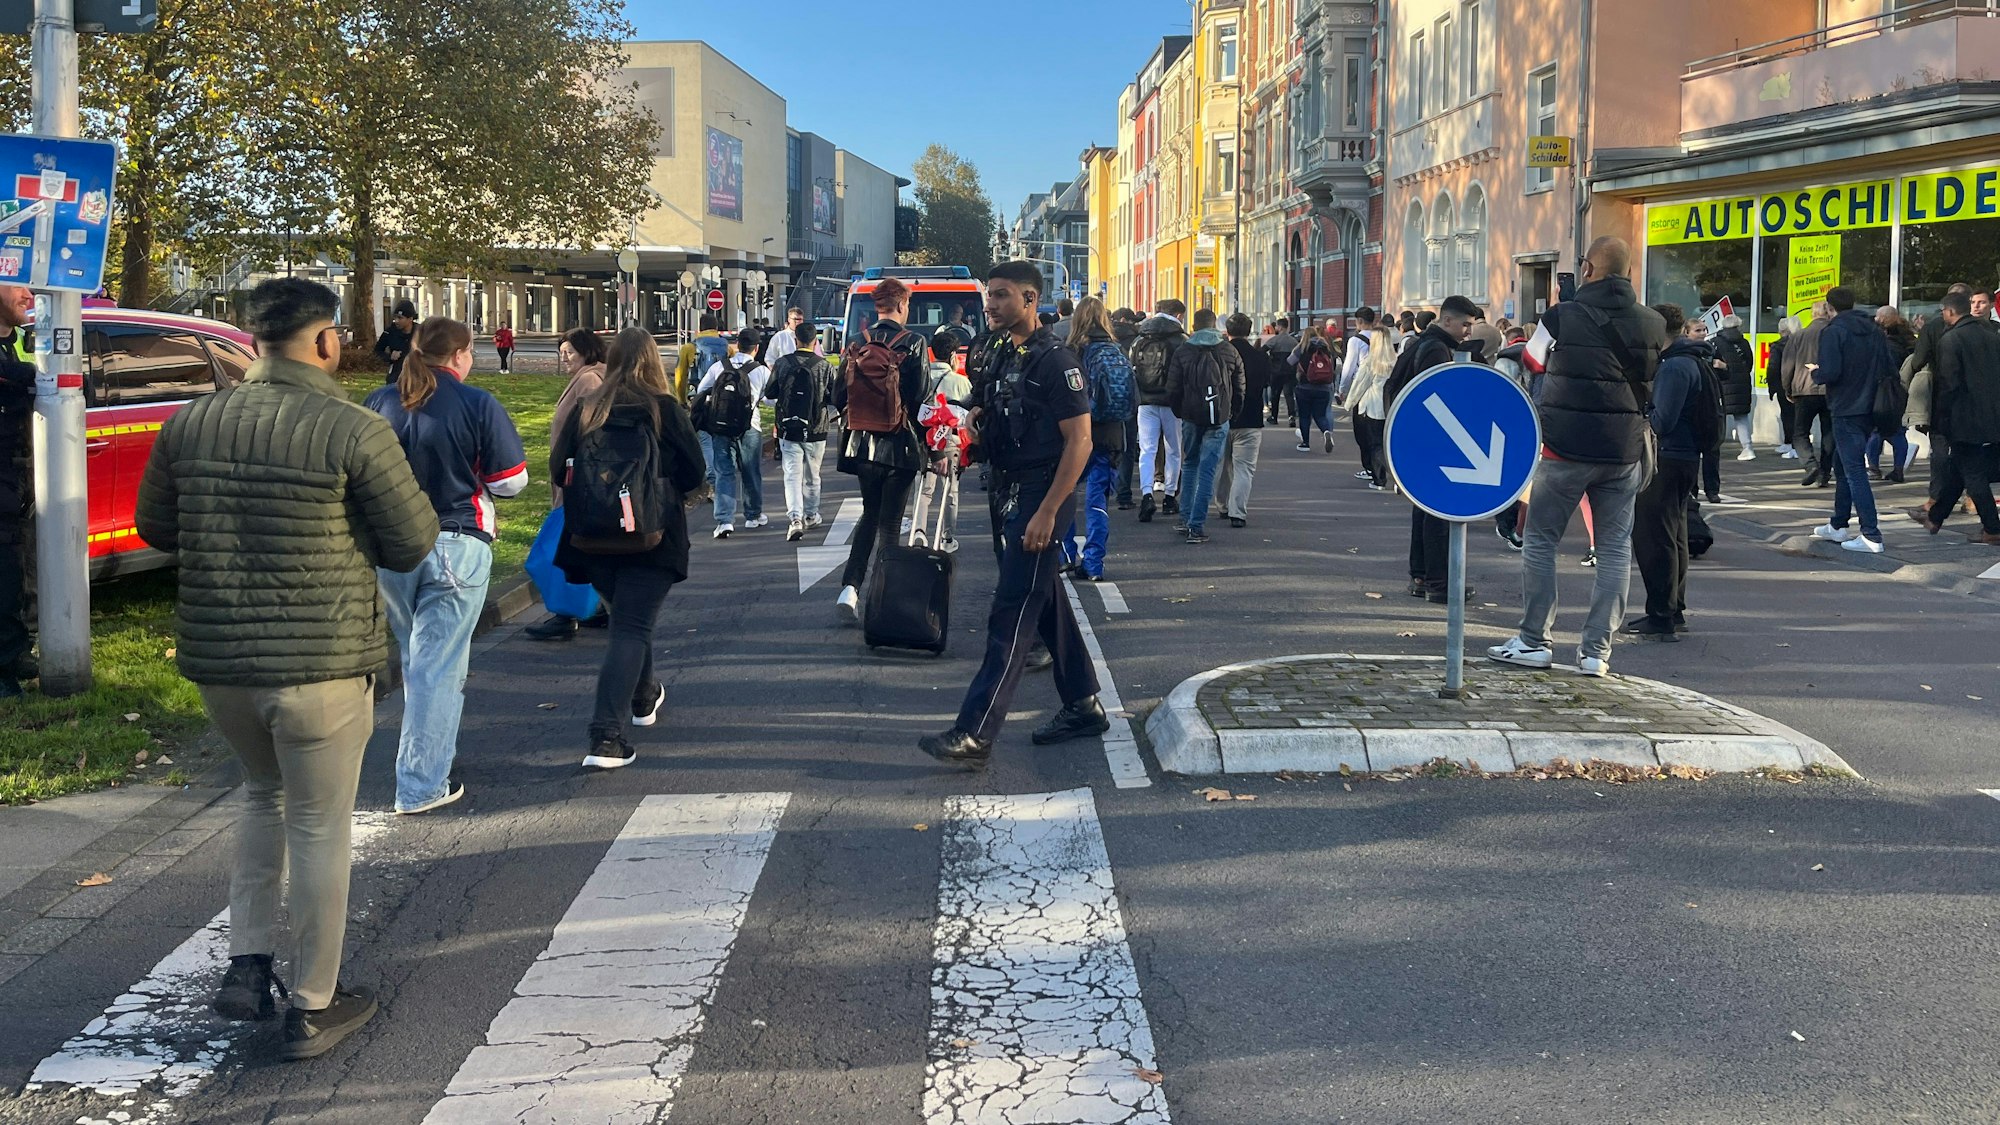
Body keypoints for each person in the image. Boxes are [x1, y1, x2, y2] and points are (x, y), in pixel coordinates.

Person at [136, 278, 439, 1060]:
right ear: (326, 340)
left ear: (254, 341)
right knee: (319, 824)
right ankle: (313, 1002)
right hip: (322, 664)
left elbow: (155, 525)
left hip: (222, 664)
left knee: (261, 796)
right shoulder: (353, 429)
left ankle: (245, 964)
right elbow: (411, 542)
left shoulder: (190, 423)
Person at [919, 261, 1105, 766]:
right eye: (989, 295)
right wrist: (977, 424)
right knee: (1045, 603)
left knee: (1013, 610)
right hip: (1005, 489)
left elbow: (1080, 441)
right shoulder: (1000, 351)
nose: (992, 305)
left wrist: (1048, 511)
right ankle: (1084, 704)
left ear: (1030, 299)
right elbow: (992, 408)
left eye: (1001, 296)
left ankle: (975, 732)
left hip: (1040, 493)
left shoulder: (1056, 359)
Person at [363, 317, 527, 814]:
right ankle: (420, 783)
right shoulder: (477, 403)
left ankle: (430, 759)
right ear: (458, 355)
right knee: (438, 666)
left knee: (417, 660)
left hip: (392, 545)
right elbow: (511, 481)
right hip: (457, 541)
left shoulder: (380, 401)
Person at [1487, 237, 1667, 677]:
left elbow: (1531, 359)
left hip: (1563, 447)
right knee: (1613, 548)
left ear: (1587, 270)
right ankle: (1595, 653)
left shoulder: (1562, 316)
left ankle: (1534, 641)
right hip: (1623, 450)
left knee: (1541, 542)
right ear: (1628, 273)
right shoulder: (1653, 322)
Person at [550, 328, 707, 769]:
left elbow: (557, 467)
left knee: (627, 619)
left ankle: (643, 697)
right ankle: (606, 736)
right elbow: (695, 471)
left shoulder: (588, 408)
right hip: (652, 535)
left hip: (592, 536)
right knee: (631, 628)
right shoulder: (664, 410)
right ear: (654, 361)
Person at [831, 277, 928, 622]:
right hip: (900, 446)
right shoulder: (914, 343)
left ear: (877, 306)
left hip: (861, 444)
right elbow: (921, 398)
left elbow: (836, 395)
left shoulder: (857, 342)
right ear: (902, 305)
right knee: (891, 524)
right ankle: (882, 598)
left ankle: (850, 588)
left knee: (869, 515)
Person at [1385, 295, 1478, 602]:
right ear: (1447, 320)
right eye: (1464, 324)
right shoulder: (1438, 349)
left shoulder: (1421, 343)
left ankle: (1421, 576)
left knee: (1425, 510)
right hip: (1435, 440)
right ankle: (1439, 584)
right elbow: (1437, 396)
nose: (1468, 331)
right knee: (1439, 513)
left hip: (1418, 438)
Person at [1625, 304, 1708, 639]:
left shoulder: (1674, 367)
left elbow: (1663, 420)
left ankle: (1661, 614)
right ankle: (1672, 609)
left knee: (1655, 536)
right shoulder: (1693, 359)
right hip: (1685, 456)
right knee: (1674, 535)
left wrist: (1643, 415)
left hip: (1668, 456)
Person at [524, 329, 612, 641]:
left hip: (576, 479)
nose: (565, 359)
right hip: (573, 476)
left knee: (558, 550)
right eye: (562, 353)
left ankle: (566, 613)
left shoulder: (590, 380)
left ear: (587, 351)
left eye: (570, 352)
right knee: (575, 547)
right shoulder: (590, 376)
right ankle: (593, 608)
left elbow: (589, 429)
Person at [1807, 286, 1892, 554]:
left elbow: (1831, 372)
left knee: (1854, 470)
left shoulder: (1833, 332)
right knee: (1842, 466)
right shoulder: (1874, 331)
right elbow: (1889, 367)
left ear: (1830, 308)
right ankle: (1838, 524)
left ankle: (1871, 534)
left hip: (1846, 406)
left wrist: (1816, 373)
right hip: (1872, 406)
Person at [1917, 290, 2000, 543]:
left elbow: (1949, 384)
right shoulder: (1992, 336)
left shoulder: (1951, 339)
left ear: (1950, 312)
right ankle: (1935, 517)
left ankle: (1992, 529)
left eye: (1943, 311)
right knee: (1960, 468)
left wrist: (1940, 420)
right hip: (1992, 414)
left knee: (1972, 472)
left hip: (1964, 416)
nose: (1942, 315)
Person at [1063, 297, 1130, 575]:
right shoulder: (1117, 351)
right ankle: (1093, 564)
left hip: (1077, 435)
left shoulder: (1072, 352)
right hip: (1110, 435)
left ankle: (1066, 556)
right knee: (1097, 501)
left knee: (1065, 495)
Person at [1165, 308, 1244, 543]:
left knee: (1189, 465)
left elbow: (1172, 388)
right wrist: (1231, 413)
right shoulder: (1228, 350)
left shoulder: (1183, 350)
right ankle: (1196, 527)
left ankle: (1184, 518)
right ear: (1214, 326)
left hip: (1191, 416)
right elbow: (1240, 385)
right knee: (1208, 471)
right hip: (1218, 417)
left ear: (1194, 326)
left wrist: (1180, 412)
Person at [765, 320, 838, 542]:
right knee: (812, 475)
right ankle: (811, 514)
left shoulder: (782, 363)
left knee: (791, 475)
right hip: (816, 428)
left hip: (789, 427)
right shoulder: (824, 366)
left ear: (795, 339)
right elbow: (834, 397)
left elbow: (770, 392)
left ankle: (794, 518)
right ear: (815, 341)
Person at [695, 327, 769, 539]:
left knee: (723, 472)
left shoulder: (720, 367)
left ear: (737, 345)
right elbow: (771, 399)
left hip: (720, 427)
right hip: (749, 427)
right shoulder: (761, 371)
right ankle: (753, 515)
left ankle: (724, 520)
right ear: (756, 348)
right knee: (750, 471)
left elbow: (702, 390)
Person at [911, 329, 972, 552]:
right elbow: (968, 415)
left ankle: (919, 531)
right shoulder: (961, 382)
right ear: (954, 355)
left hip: (927, 441)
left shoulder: (923, 379)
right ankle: (947, 537)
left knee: (924, 489)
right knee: (951, 489)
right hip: (952, 441)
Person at [0, 285, 32, 698]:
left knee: (12, 572)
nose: (30, 293)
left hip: (16, 476)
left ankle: (14, 651)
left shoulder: (19, 343)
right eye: (18, 282)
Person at [1130, 299, 1188, 522]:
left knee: (1147, 450)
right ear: (1179, 315)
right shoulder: (1181, 340)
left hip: (1145, 401)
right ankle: (1170, 496)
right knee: (1173, 450)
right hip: (1172, 403)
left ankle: (1146, 494)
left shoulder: (1141, 338)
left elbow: (1132, 367)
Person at [1215, 312, 1270, 526]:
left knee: (1221, 465)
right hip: (1250, 418)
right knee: (1244, 468)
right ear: (1249, 331)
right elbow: (1265, 383)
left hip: (1221, 417)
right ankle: (1237, 512)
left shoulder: (1218, 355)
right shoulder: (1259, 357)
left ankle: (1222, 505)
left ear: (1227, 332)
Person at [1785, 301, 1835, 487]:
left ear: (1813, 314)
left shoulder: (1799, 336)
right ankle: (1824, 472)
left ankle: (1810, 464)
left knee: (1799, 432)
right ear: (1828, 313)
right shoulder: (1835, 333)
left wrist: (1788, 389)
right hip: (1831, 388)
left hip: (1804, 389)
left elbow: (1787, 365)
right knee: (1829, 433)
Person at [1344, 321, 1397, 492]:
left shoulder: (1370, 361)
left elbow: (1360, 384)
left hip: (1371, 407)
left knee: (1373, 443)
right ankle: (1396, 478)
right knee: (1387, 443)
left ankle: (1378, 478)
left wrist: (1349, 403)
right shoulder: (1395, 360)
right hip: (1390, 408)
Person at [1870, 306, 1918, 482]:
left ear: (1882, 320)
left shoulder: (1884, 343)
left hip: (1883, 389)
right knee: (1898, 432)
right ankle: (1898, 469)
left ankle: (1874, 468)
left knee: (1876, 431)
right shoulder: (1909, 339)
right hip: (1904, 391)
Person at [1337, 307, 1381, 479]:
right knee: (1376, 429)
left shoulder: (1355, 341)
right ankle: (1378, 467)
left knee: (1361, 430)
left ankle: (1369, 467)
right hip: (1378, 386)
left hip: (1362, 387)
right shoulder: (1381, 337)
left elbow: (1349, 367)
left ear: (1360, 321)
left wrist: (1342, 389)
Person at [1292, 319, 1341, 453]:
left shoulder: (1301, 348)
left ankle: (1305, 443)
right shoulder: (1326, 349)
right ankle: (1326, 431)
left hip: (1304, 387)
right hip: (1324, 388)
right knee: (1320, 415)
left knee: (1304, 416)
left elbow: (1290, 361)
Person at [1110, 307, 1143, 509]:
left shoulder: (1104, 340)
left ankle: (1100, 490)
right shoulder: (1136, 341)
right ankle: (1123, 494)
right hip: (1129, 399)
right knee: (1129, 447)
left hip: (1103, 401)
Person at [674, 312, 728, 405]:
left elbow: (680, 375)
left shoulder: (689, 348)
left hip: (697, 396)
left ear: (700, 328)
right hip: (720, 397)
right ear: (716, 328)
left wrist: (682, 400)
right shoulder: (727, 348)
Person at [1767, 318, 1799, 459]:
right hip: (1801, 384)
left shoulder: (1778, 346)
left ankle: (1791, 443)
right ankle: (1793, 444)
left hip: (1784, 383)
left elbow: (1773, 367)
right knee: (1798, 415)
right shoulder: (1802, 343)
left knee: (1787, 414)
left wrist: (1772, 386)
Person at [373, 298, 418, 381]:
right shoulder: (389, 332)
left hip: (417, 375)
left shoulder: (421, 332)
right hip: (396, 376)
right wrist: (389, 357)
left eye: (400, 318)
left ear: (410, 319)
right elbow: (377, 351)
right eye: (395, 317)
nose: (396, 321)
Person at [1265, 315, 1299, 425]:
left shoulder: (1274, 340)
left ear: (1279, 327)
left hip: (1276, 371)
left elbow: (1263, 350)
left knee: (1275, 394)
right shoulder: (1293, 341)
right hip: (1290, 371)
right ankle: (1291, 416)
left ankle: (1274, 416)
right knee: (1289, 394)